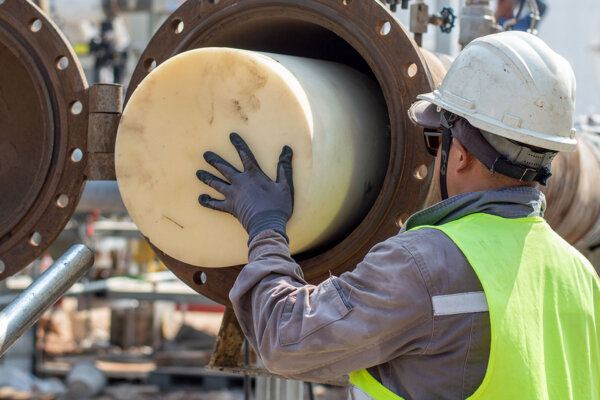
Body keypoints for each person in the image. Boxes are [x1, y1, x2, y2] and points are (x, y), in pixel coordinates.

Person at [196, 31, 600, 399]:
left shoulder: (424, 266)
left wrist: (265, 226)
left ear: (459, 155)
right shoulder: (581, 277)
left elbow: (285, 340)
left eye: (433, 141)